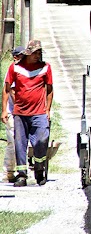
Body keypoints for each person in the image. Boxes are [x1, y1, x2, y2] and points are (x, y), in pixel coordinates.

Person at [1, 40, 53, 187]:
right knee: (20, 143)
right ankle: (21, 175)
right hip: (20, 113)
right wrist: (4, 110)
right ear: (28, 53)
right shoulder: (15, 68)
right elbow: (6, 89)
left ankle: (39, 169)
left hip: (39, 112)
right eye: (35, 53)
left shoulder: (45, 68)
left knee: (41, 141)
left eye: (39, 53)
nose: (38, 56)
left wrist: (47, 109)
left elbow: (49, 89)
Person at [2, 46, 24, 183]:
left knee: (15, 142)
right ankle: (9, 172)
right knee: (15, 142)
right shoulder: (14, 70)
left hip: (19, 112)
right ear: (16, 57)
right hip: (14, 112)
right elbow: (13, 92)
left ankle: (11, 172)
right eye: (22, 56)